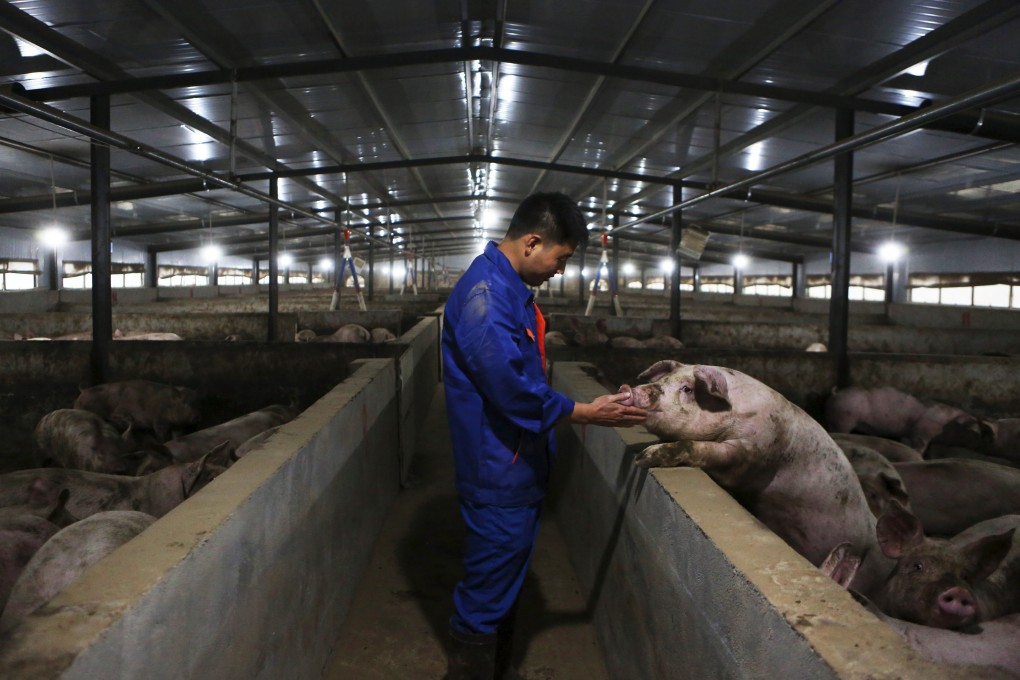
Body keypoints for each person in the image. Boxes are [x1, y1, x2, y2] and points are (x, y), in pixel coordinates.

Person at [441, 192, 649, 679]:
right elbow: (511, 389)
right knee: (488, 588)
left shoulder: (508, 289)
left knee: (506, 580)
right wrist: (582, 411)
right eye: (562, 258)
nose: (561, 269)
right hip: (497, 469)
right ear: (533, 242)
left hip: (515, 463)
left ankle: (494, 668)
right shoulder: (487, 299)